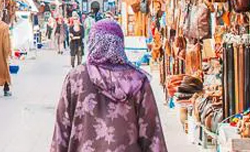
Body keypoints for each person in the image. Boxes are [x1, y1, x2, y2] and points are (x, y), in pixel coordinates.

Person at [51, 19, 167, 152]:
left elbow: (61, 131)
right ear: (120, 44)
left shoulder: (76, 78)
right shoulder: (138, 80)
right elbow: (152, 135)